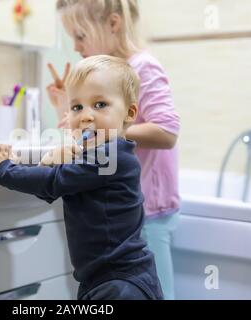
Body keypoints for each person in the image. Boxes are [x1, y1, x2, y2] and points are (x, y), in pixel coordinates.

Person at [0, 55, 163, 300]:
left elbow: (52, 183)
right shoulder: (101, 156)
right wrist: (51, 160)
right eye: (76, 107)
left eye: (100, 104)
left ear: (129, 112)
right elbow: (53, 184)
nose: (85, 116)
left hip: (120, 283)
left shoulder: (110, 158)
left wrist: (4, 170)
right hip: (107, 278)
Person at [46, 0, 181, 300]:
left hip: (149, 208)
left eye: (81, 35)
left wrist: (102, 127)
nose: (77, 46)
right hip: (126, 209)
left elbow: (167, 131)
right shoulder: (107, 81)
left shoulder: (142, 67)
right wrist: (64, 107)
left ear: (113, 24)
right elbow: (96, 143)